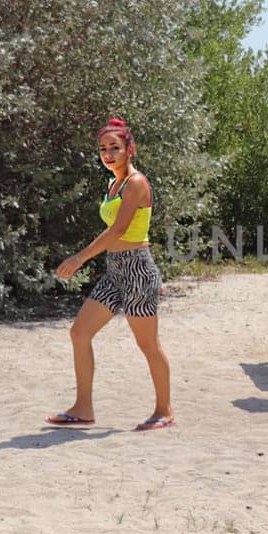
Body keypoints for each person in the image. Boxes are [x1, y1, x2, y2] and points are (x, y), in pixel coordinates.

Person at [47, 118, 174, 430]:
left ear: (129, 149)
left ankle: (164, 411)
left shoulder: (136, 183)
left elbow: (119, 229)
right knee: (79, 332)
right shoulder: (113, 185)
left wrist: (79, 258)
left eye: (114, 147)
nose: (108, 153)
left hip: (137, 270)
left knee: (148, 345)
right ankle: (83, 408)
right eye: (103, 149)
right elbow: (112, 232)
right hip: (115, 270)